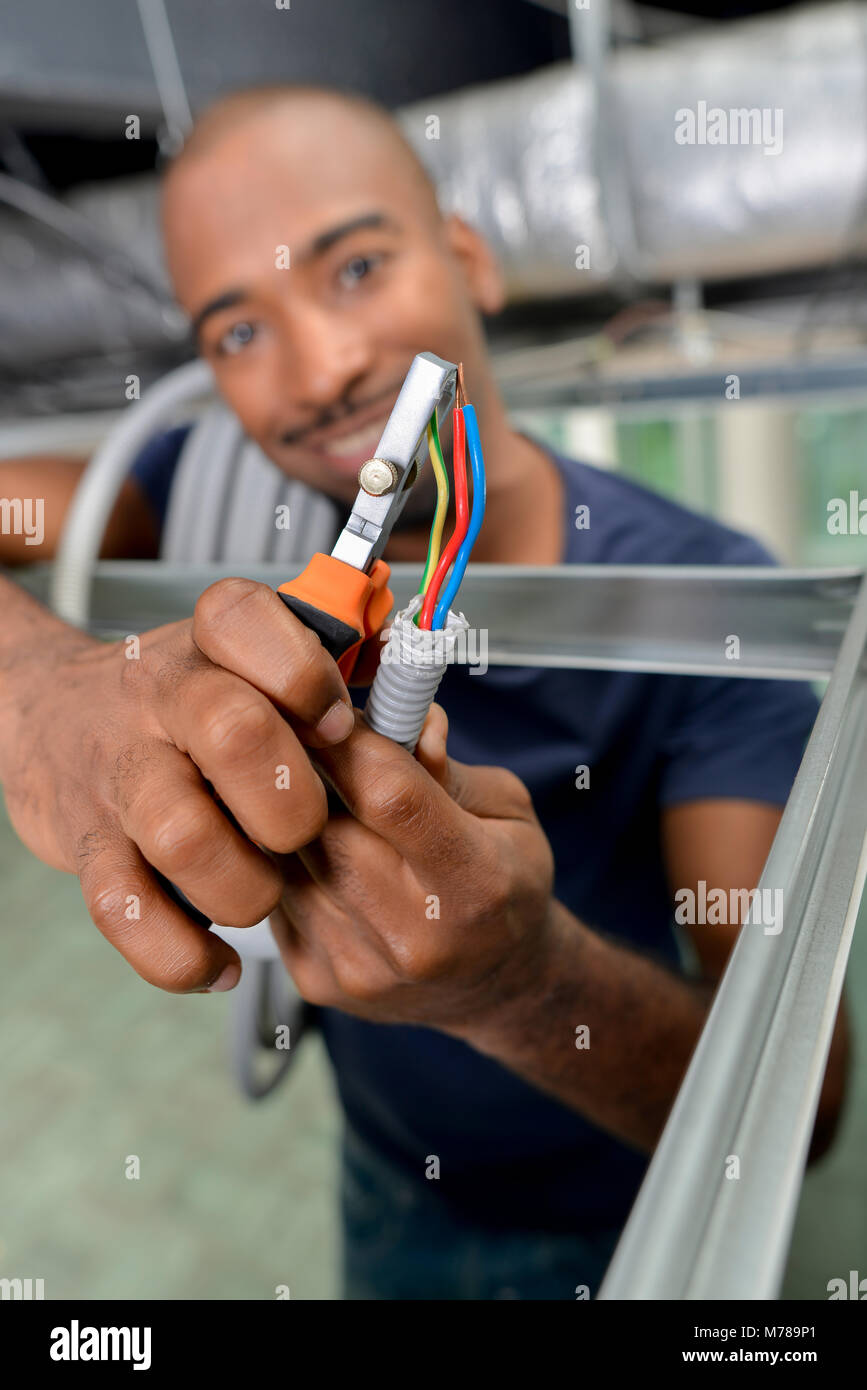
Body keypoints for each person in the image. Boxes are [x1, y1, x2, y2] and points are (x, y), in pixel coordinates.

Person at [0, 85, 850, 1300]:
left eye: (355, 269)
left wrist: (523, 984)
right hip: (391, 1182)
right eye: (237, 332)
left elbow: (796, 1107)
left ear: (469, 262)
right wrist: (34, 693)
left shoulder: (712, 603)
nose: (324, 370)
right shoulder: (199, 479)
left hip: (633, 1213)